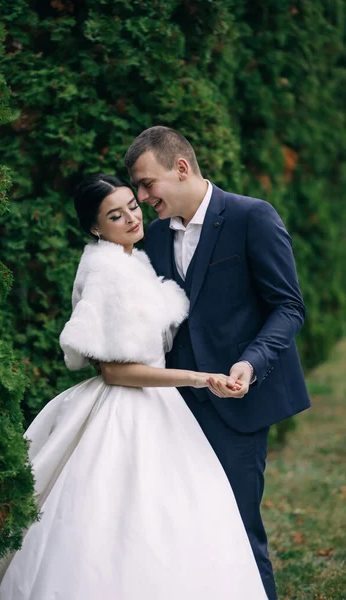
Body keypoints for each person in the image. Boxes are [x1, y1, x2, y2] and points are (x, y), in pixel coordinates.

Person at [0, 174, 268, 599]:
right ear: (95, 228)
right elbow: (116, 372)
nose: (132, 218)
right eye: (115, 215)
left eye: (132, 207)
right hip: (127, 407)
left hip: (160, 407)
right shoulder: (106, 272)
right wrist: (198, 378)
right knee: (118, 520)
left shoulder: (131, 261)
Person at [125, 126, 311, 600]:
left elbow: (288, 306)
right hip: (173, 409)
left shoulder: (252, 217)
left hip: (236, 403)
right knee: (186, 532)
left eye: (148, 184)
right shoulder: (155, 241)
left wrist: (251, 362)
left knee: (239, 528)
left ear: (181, 168)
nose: (143, 198)